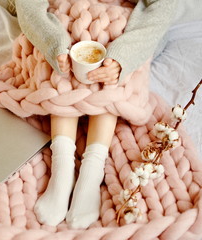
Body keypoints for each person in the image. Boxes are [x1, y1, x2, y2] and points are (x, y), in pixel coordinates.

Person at [14, 0, 201, 229]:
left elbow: (162, 6)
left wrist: (123, 57)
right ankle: (62, 164)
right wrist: (53, 42)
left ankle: (93, 166)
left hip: (120, 30)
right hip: (62, 23)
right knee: (66, 46)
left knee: (108, 38)